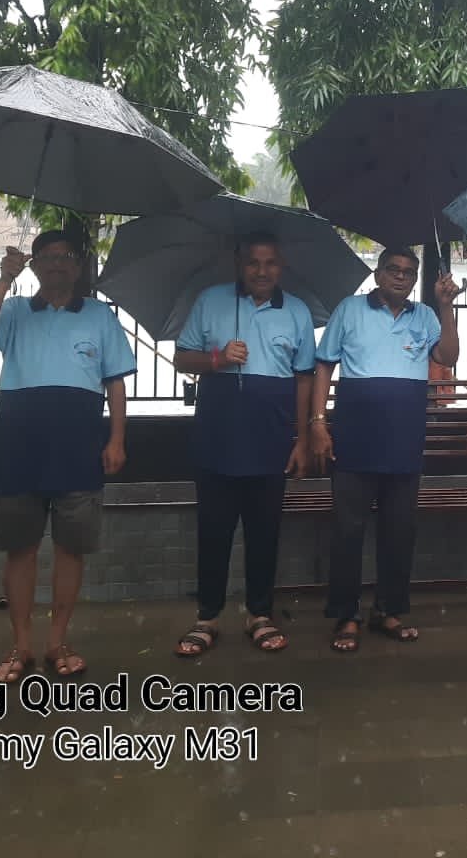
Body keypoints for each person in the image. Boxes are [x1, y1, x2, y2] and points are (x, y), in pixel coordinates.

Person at [0, 228, 134, 682]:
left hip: (79, 449)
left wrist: (116, 440)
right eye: (48, 257)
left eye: (66, 257)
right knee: (19, 550)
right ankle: (21, 646)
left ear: (78, 267)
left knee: (70, 550)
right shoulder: (15, 310)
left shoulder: (99, 315)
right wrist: (4, 281)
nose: (58, 264)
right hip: (19, 447)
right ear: (34, 265)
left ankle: (58, 641)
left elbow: (116, 382)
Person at [309, 247, 462, 653]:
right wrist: (318, 423)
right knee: (348, 531)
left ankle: (388, 610)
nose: (400, 276)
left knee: (399, 531)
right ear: (378, 274)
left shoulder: (424, 316)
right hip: (354, 438)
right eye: (392, 269)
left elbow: (448, 356)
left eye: (409, 272)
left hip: (403, 440)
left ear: (415, 280)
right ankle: (346, 615)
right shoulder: (350, 309)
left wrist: (446, 306)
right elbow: (324, 365)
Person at [170, 234, 315, 657]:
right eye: (253, 262)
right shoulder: (210, 300)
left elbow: (304, 377)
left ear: (281, 266)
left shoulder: (297, 311)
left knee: (264, 533)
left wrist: (303, 438)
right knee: (213, 532)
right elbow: (182, 357)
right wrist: (216, 359)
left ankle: (259, 614)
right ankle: (207, 617)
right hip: (216, 438)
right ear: (239, 264)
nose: (262, 271)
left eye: (270, 263)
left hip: (271, 440)